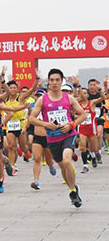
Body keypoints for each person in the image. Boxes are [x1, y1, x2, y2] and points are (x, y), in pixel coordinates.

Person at [29, 68, 86, 208]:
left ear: (61, 81)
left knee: (67, 161)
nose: (54, 83)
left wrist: (71, 124)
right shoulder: (43, 100)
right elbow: (31, 118)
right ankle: (73, 189)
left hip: (68, 135)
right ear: (48, 82)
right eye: (52, 80)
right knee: (62, 166)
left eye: (57, 80)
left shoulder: (68, 98)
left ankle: (72, 191)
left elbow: (83, 115)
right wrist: (45, 124)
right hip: (53, 139)